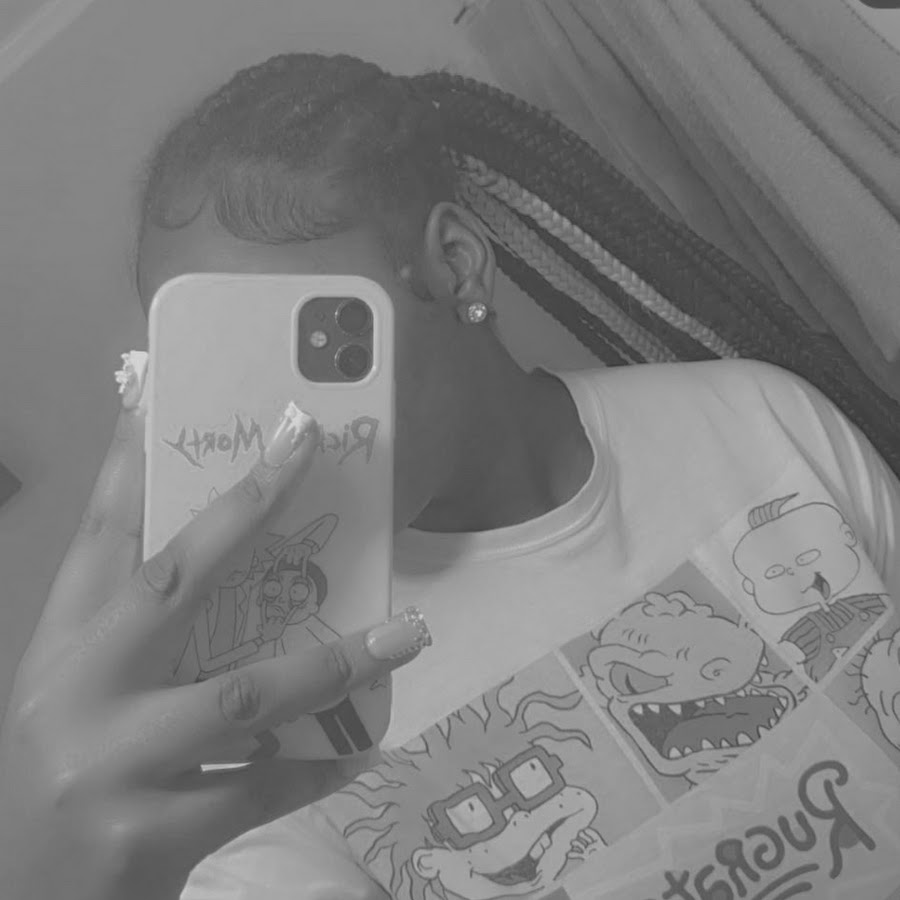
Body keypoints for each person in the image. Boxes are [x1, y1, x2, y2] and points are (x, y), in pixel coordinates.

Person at [2, 51, 899, 900]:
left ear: (455, 264)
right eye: (209, 354)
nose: (263, 419)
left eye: (286, 341)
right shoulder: (267, 690)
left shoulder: (759, 419)